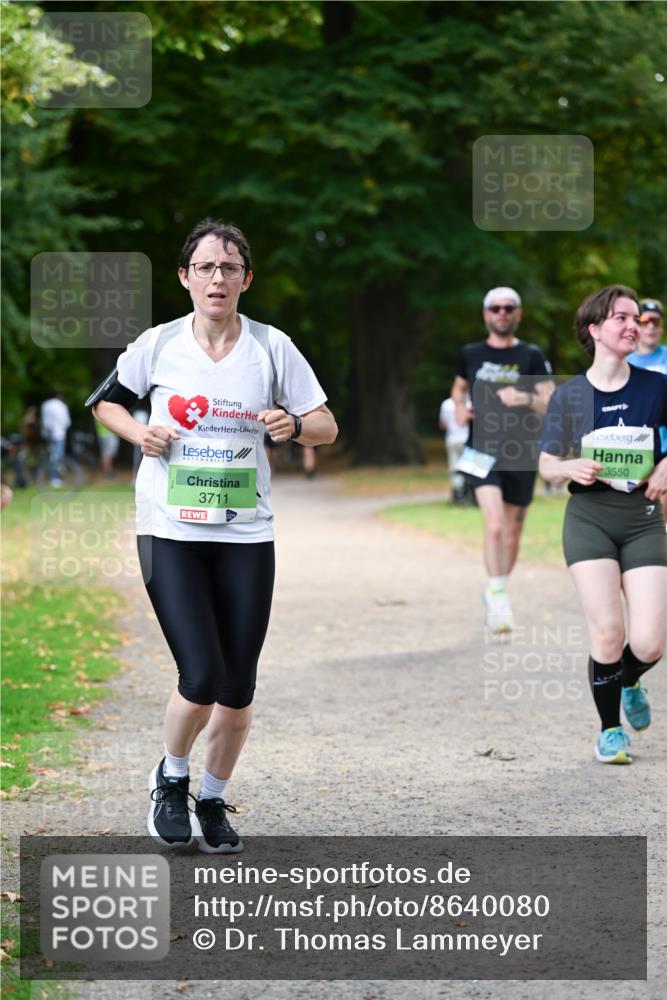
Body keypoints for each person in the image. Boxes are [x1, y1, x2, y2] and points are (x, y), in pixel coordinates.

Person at [91, 218, 338, 852]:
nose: (217, 278)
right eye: (205, 267)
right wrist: (138, 433)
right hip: (169, 529)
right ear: (185, 277)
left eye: (229, 268)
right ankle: (169, 781)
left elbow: (326, 426)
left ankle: (213, 797)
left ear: (246, 279)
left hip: (245, 534)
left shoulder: (272, 347)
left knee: (237, 688)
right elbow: (108, 403)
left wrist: (292, 426)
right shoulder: (159, 343)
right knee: (200, 672)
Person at [539, 284, 667, 764]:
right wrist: (569, 467)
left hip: (643, 519)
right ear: (594, 329)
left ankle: (630, 678)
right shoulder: (570, 395)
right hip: (589, 519)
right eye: (621, 318)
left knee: (651, 641)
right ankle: (610, 730)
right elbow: (547, 464)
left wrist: (665, 465)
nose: (633, 325)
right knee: (609, 632)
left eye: (636, 318)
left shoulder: (656, 387)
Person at [451, 287, 554, 633]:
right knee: (494, 524)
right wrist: (459, 408)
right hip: (481, 449)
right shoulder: (471, 353)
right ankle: (497, 594)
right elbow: (458, 387)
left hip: (521, 452)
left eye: (508, 308)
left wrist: (522, 395)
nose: (502, 313)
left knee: (513, 531)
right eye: (495, 308)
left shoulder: (531, 355)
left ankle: (497, 589)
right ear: (486, 314)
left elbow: (548, 402)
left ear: (518, 314)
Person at [628, 298, 667, 521]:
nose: (650, 326)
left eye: (655, 321)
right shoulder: (625, 360)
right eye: (644, 321)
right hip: (635, 447)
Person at [438, 396, 469, 503]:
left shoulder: (446, 404)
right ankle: (467, 491)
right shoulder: (470, 402)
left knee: (454, 466)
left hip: (452, 439)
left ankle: (457, 491)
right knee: (468, 466)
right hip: (467, 439)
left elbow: (443, 424)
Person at [40, 391, 71, 488]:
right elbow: (66, 422)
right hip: (59, 434)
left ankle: (51, 477)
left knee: (51, 456)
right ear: (59, 396)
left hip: (47, 434)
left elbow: (44, 420)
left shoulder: (45, 405)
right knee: (57, 456)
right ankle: (55, 478)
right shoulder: (61, 405)